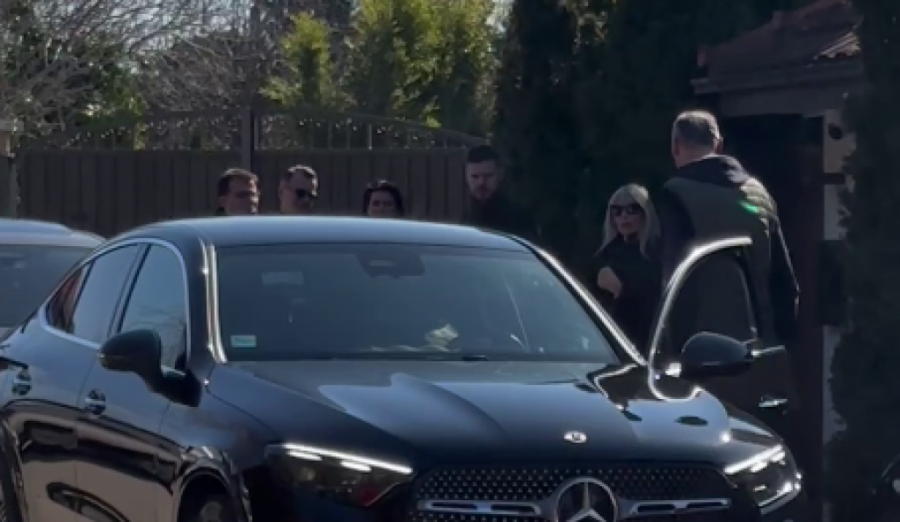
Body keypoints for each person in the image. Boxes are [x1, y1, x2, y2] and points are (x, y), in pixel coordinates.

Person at [655, 110, 799, 353]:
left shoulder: (675, 194)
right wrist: (781, 347)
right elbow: (785, 284)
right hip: (761, 346)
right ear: (719, 145)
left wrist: (670, 350)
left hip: (702, 350)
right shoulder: (759, 193)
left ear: (675, 146)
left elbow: (673, 282)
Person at [593, 184, 662, 351]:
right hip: (607, 342)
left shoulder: (657, 252)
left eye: (632, 209)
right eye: (616, 211)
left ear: (645, 213)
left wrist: (621, 289)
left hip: (645, 341)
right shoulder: (605, 254)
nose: (624, 216)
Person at [462, 145, 536, 239]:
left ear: (500, 174)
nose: (481, 182)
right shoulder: (466, 220)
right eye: (475, 177)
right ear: (466, 177)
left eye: (488, 176)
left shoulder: (519, 219)